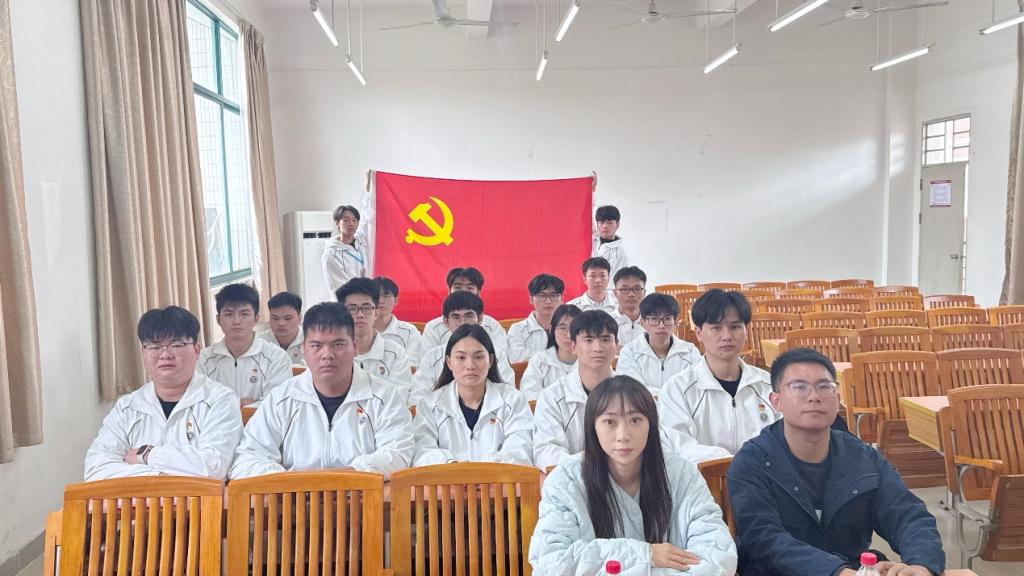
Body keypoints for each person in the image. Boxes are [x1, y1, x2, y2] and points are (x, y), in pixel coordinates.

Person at [728, 348, 945, 576]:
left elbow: (908, 515)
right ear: (776, 401)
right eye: (799, 387)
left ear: (838, 399)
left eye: (824, 387)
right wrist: (837, 572)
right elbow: (764, 539)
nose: (814, 396)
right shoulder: (752, 462)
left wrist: (921, 565)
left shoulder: (862, 457)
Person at [529, 376, 737, 575]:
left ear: (651, 424)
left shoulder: (682, 474)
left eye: (635, 420)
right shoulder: (566, 480)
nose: (623, 435)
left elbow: (718, 555)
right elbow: (550, 563)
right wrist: (646, 555)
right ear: (593, 427)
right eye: (610, 422)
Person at [229, 303, 415, 479]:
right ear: (304, 349)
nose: (327, 355)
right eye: (316, 346)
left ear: (355, 347)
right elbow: (247, 458)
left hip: (361, 497)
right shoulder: (282, 399)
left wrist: (347, 476)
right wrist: (291, 483)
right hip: (295, 498)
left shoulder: (383, 396)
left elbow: (398, 452)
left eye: (338, 344)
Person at [84, 306, 242, 480]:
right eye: (154, 346)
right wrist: (159, 476)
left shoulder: (220, 401)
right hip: (140, 499)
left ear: (196, 350)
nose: (165, 354)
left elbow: (214, 468)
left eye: (176, 345)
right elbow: (95, 469)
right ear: (142, 352)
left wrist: (147, 454)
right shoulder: (127, 408)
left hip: (200, 500)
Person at [411, 324, 534, 466]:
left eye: (478, 357)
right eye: (461, 357)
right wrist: (453, 465)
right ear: (449, 362)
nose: (470, 366)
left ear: (491, 361)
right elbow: (422, 452)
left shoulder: (513, 401)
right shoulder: (429, 405)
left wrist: (477, 470)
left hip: (500, 480)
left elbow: (520, 452)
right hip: (447, 479)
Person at [534, 310, 618, 471]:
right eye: (588, 340)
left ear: (616, 345)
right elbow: (547, 449)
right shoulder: (552, 397)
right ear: (573, 346)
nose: (597, 348)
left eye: (606, 339)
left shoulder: (632, 394)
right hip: (572, 479)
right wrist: (589, 469)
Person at [410, 291, 515, 405]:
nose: (463, 323)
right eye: (456, 317)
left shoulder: (497, 355)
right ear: (446, 322)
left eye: (468, 316)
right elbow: (418, 399)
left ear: (480, 319)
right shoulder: (432, 357)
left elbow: (508, 394)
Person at [198, 283, 292, 404]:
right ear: (218, 319)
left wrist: (222, 404)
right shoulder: (203, 360)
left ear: (256, 318)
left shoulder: (276, 358)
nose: (236, 321)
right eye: (229, 314)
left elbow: (278, 406)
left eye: (244, 314)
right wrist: (243, 403)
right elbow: (199, 405)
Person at [335, 278, 413, 400]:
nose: (360, 315)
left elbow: (398, 398)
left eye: (366, 308)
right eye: (352, 309)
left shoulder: (395, 353)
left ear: (376, 313)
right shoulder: (331, 353)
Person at [615, 293, 699, 395]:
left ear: (676, 322)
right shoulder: (629, 352)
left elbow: (697, 389)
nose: (661, 326)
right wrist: (676, 396)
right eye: (654, 319)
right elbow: (630, 391)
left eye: (667, 318)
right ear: (642, 323)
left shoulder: (690, 352)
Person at [421, 267, 509, 351]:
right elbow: (428, 358)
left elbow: (499, 357)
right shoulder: (433, 327)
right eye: (457, 288)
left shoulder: (492, 326)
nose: (463, 291)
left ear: (478, 293)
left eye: (469, 288)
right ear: (449, 291)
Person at [520, 304, 581, 402]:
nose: (569, 335)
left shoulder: (591, 360)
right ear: (552, 330)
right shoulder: (539, 361)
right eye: (562, 328)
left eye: (574, 329)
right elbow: (529, 394)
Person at [507, 273, 565, 363]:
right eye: (542, 296)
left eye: (553, 295)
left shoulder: (572, 327)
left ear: (562, 299)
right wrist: (556, 355)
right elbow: (516, 358)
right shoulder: (518, 330)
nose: (548, 301)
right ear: (531, 299)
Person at [373, 276, 424, 365]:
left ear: (396, 300)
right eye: (376, 296)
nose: (380, 301)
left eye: (386, 295)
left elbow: (413, 364)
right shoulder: (358, 330)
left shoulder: (409, 332)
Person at [322, 204, 370, 294]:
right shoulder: (331, 253)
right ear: (337, 223)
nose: (351, 224)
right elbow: (339, 287)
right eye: (346, 220)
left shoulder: (361, 242)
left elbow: (368, 218)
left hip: (367, 297)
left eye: (354, 220)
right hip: (349, 300)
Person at [257, 291, 305, 366]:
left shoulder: (310, 340)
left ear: (299, 319)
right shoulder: (260, 341)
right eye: (275, 318)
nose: (281, 323)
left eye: (287, 318)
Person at [611, 266, 647, 347]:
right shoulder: (606, 321)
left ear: (644, 292)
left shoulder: (653, 322)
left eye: (637, 289)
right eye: (624, 289)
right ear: (615, 293)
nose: (631, 294)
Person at [592, 205, 628, 279]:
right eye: (601, 222)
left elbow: (615, 281)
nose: (605, 226)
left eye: (609, 223)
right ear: (597, 224)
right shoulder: (593, 239)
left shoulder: (619, 253)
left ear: (617, 225)